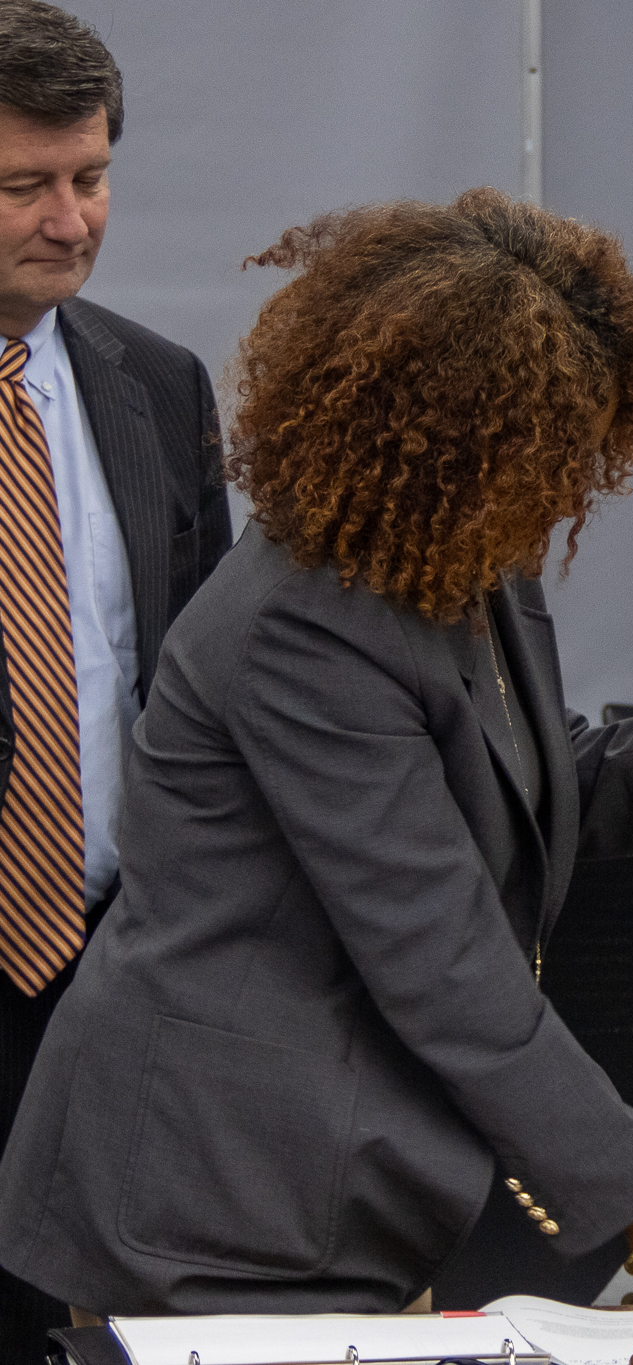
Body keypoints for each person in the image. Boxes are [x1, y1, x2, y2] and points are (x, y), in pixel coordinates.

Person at [0, 190, 633, 1317]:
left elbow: (524, 783)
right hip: (210, 1200)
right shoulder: (298, 622)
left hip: (336, 1180)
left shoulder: (460, 558)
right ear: (448, 438)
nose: (567, 490)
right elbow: (436, 946)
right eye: (545, 454)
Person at [0, 4, 232, 1350]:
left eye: (90, 179)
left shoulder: (158, 385)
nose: (71, 219)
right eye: (26, 186)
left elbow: (202, 690)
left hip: (109, 967)